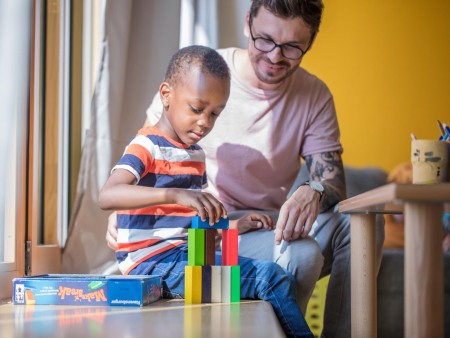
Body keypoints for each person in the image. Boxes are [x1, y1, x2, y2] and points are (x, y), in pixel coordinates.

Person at [105, 1, 385, 337]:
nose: (275, 56)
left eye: (292, 47)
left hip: (261, 225)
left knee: (365, 221)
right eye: (264, 39)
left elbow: (332, 182)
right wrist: (126, 211)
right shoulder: (203, 75)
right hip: (200, 232)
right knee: (301, 255)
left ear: (311, 41)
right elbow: (144, 154)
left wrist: (315, 189)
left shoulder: (314, 95)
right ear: (247, 23)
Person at [98, 45, 315, 338]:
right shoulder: (146, 145)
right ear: (166, 95)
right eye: (197, 109)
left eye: (215, 113)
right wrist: (175, 194)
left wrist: (237, 227)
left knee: (272, 280)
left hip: (184, 255)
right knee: (272, 279)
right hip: (152, 265)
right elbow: (108, 195)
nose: (205, 123)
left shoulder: (195, 155)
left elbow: (195, 231)